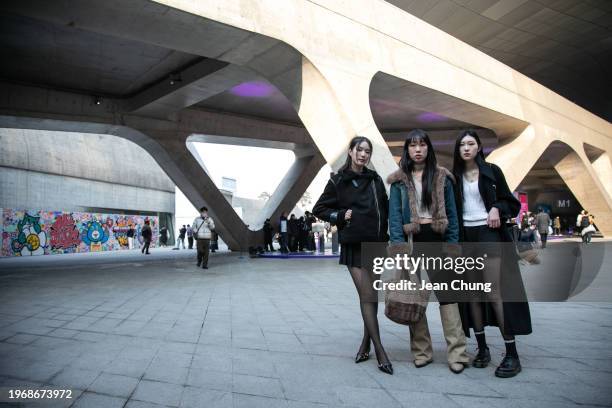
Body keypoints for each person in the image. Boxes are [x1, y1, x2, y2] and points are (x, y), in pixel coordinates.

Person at [387, 129, 470, 374]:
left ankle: (458, 353)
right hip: (412, 241)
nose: (418, 149)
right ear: (407, 150)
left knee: (447, 296)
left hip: (437, 239)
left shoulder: (442, 177)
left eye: (422, 145)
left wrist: (452, 245)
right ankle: (422, 352)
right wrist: (399, 246)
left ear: (428, 148)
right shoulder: (398, 180)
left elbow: (452, 215)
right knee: (414, 296)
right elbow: (394, 217)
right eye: (413, 145)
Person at [452, 129, 532, 378]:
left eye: (471, 143)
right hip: (466, 237)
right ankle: (483, 348)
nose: (466, 148)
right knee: (473, 294)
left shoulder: (492, 171)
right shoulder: (453, 177)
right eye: (462, 144)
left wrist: (497, 207)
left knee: (494, 291)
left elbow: (510, 201)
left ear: (478, 148)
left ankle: (511, 353)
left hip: (489, 234)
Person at [313, 135, 392, 375]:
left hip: (376, 244)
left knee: (371, 297)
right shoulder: (338, 180)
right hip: (354, 244)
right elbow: (319, 209)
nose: (363, 154)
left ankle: (365, 343)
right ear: (351, 151)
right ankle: (380, 350)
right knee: (367, 296)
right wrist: (340, 215)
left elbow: (386, 208)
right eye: (360, 150)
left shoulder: (375, 179)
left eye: (367, 151)